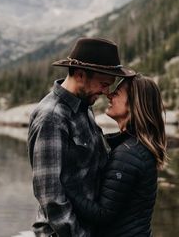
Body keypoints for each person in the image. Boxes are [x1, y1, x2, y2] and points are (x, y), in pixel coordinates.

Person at [28, 37, 136, 237]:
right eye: (103, 84)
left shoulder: (83, 106)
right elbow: (50, 196)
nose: (105, 92)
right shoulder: (52, 117)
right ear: (79, 74)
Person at [65, 74, 168, 237]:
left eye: (117, 92)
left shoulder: (128, 154)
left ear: (133, 104)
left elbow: (102, 214)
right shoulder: (136, 148)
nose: (109, 95)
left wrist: (66, 184)